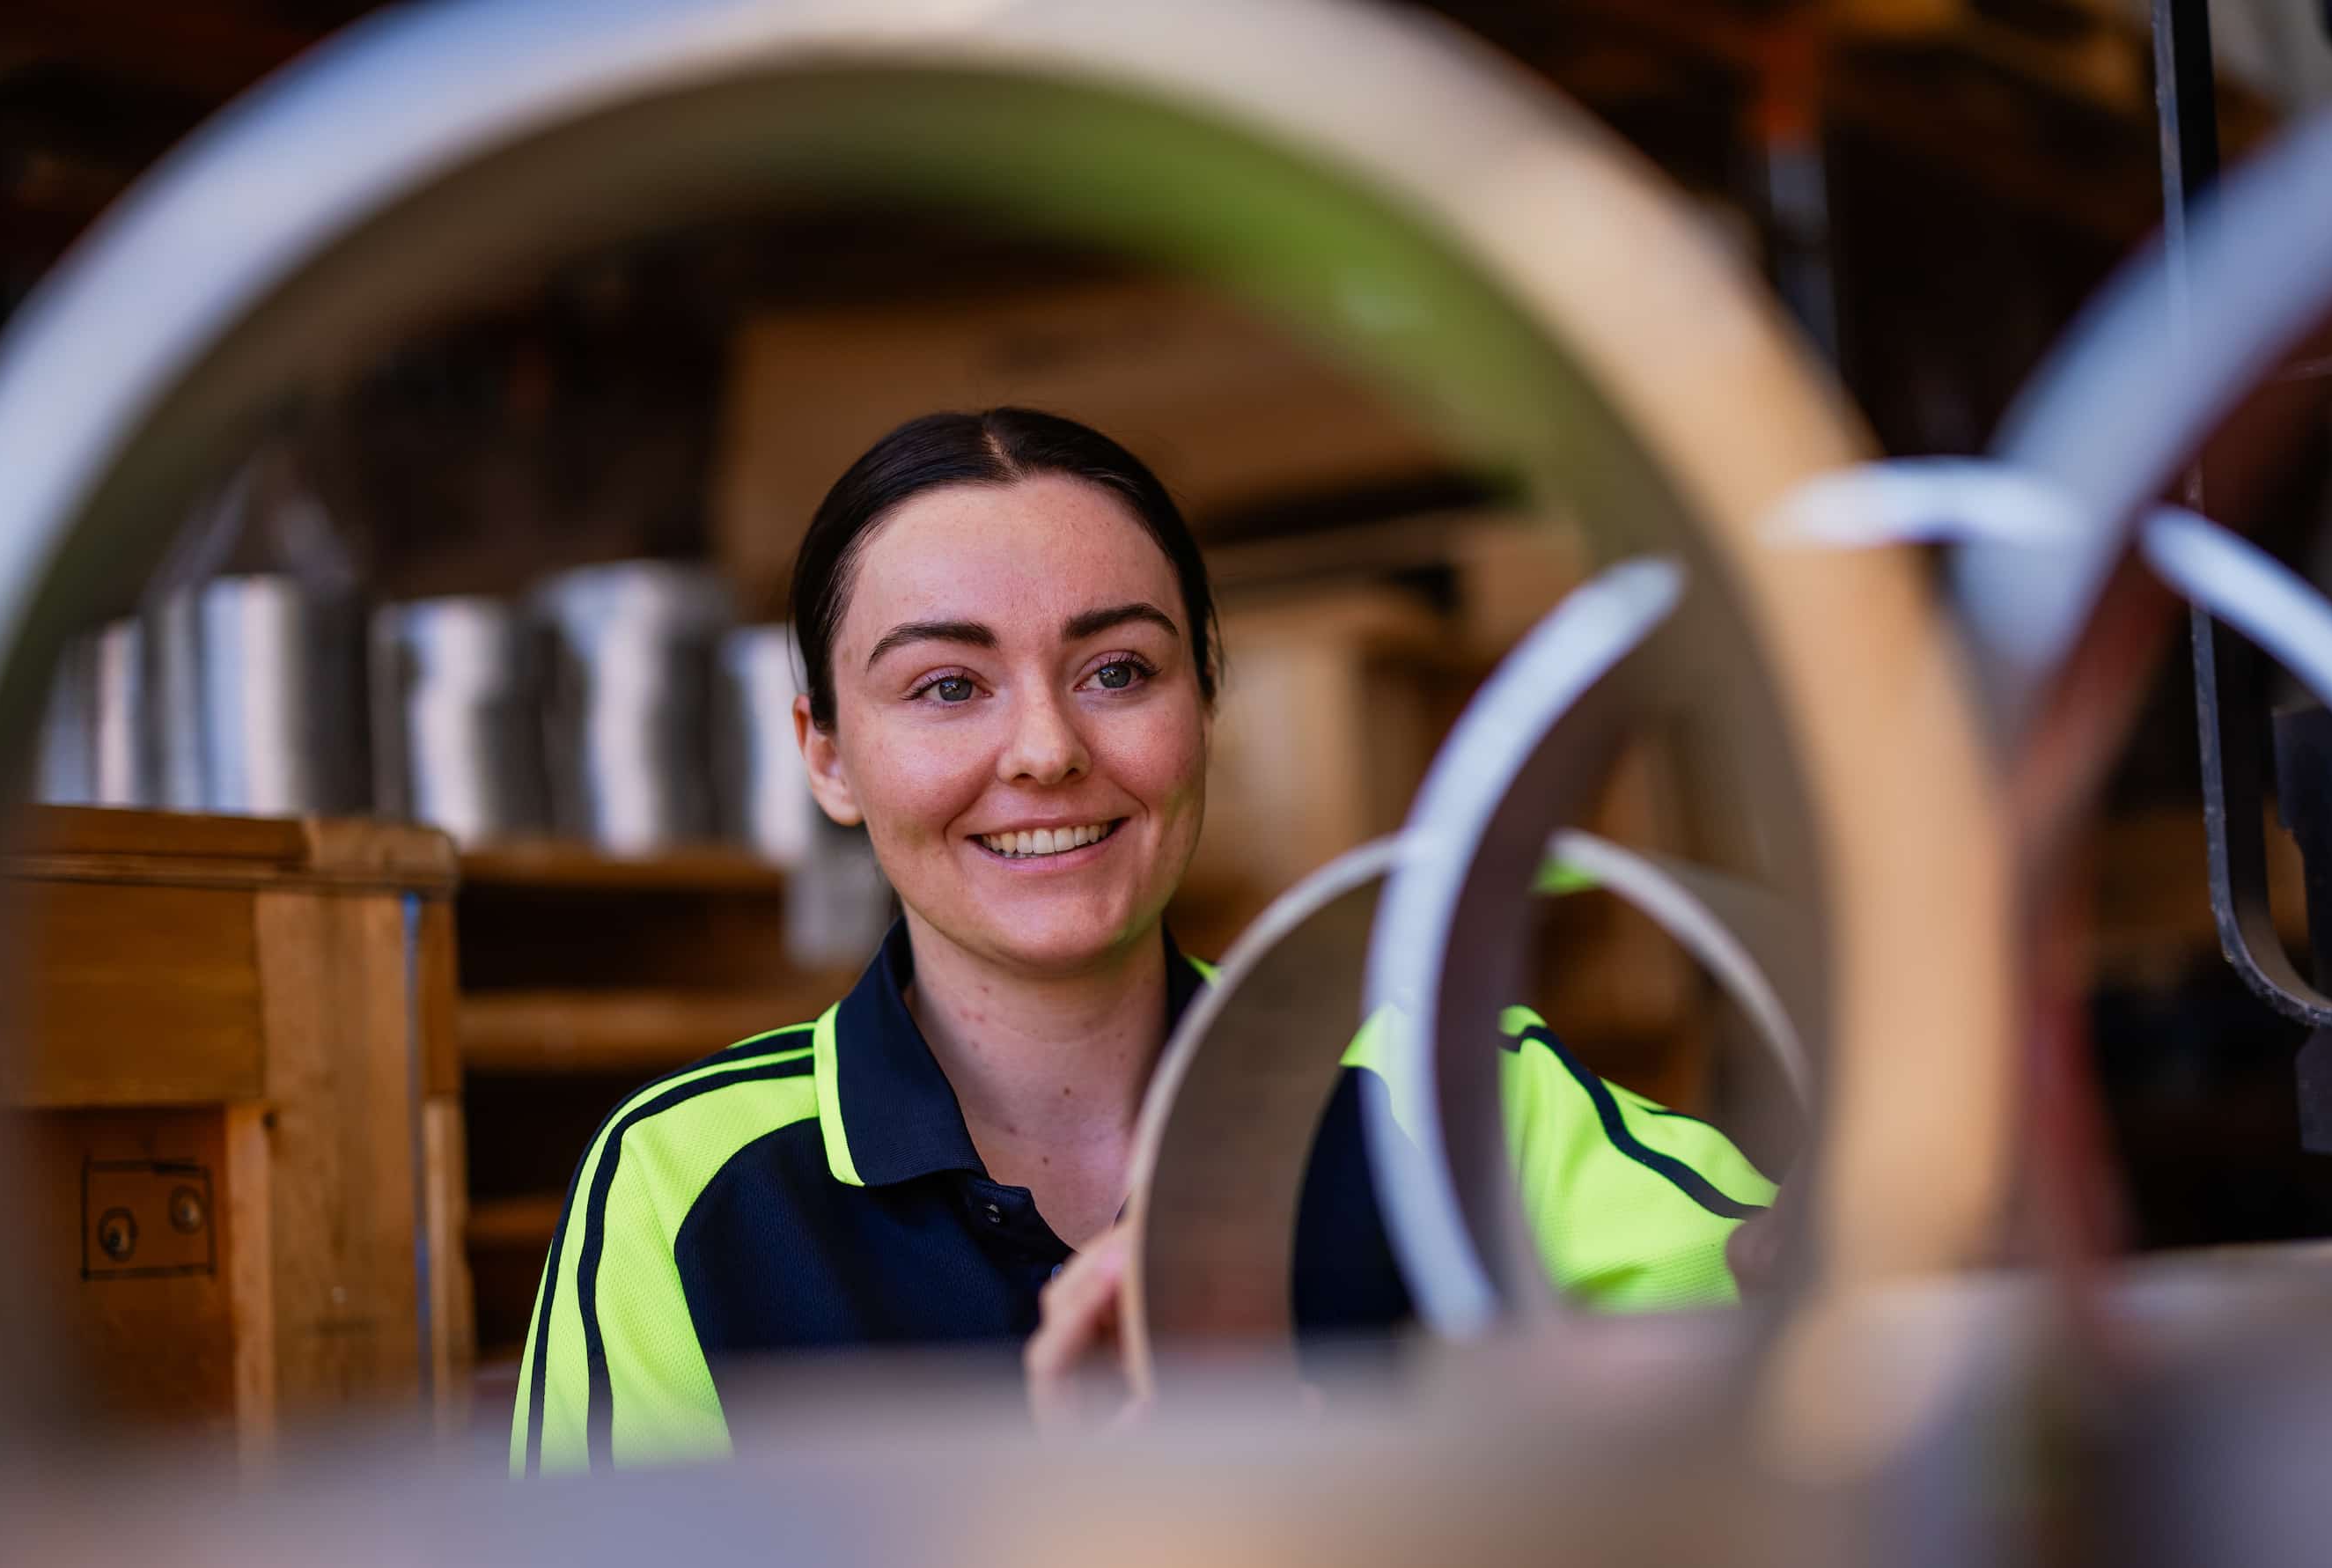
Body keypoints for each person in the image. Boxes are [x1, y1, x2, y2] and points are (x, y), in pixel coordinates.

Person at [512, 408, 1777, 1475]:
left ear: (1205, 701)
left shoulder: (1449, 1086)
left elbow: (1820, 1350)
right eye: (948, 686)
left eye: (1117, 670)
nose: (1047, 750)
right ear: (827, 755)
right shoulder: (686, 1186)